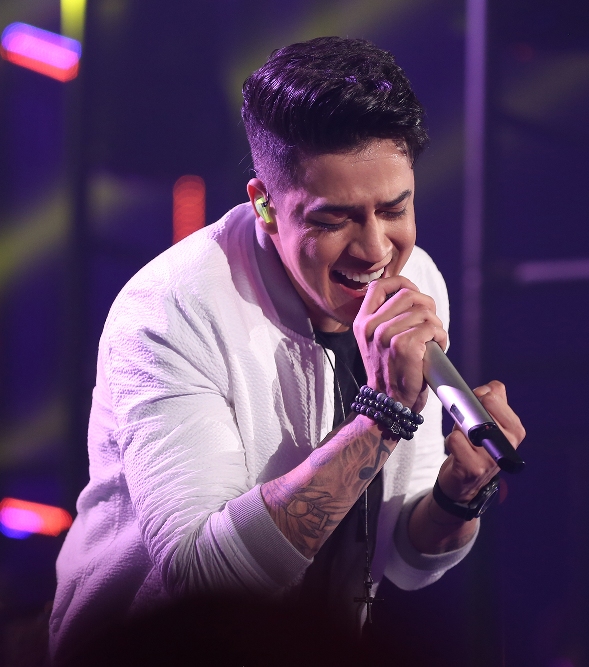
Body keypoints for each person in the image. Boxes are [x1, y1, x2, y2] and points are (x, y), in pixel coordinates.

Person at [49, 36, 525, 665]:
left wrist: (458, 495)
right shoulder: (171, 309)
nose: (376, 250)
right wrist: (382, 418)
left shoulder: (419, 283)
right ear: (265, 205)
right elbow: (203, 589)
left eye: (395, 209)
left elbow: (402, 563)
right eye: (333, 220)